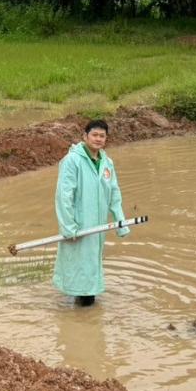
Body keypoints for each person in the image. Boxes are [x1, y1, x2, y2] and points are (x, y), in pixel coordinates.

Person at [53, 119, 128, 306]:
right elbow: (64, 196)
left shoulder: (107, 162)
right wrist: (69, 226)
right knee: (79, 267)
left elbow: (114, 193)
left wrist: (121, 222)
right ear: (85, 136)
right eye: (94, 135)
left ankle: (84, 310)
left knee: (91, 266)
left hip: (98, 226)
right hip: (80, 225)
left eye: (102, 136)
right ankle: (82, 314)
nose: (98, 139)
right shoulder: (72, 161)